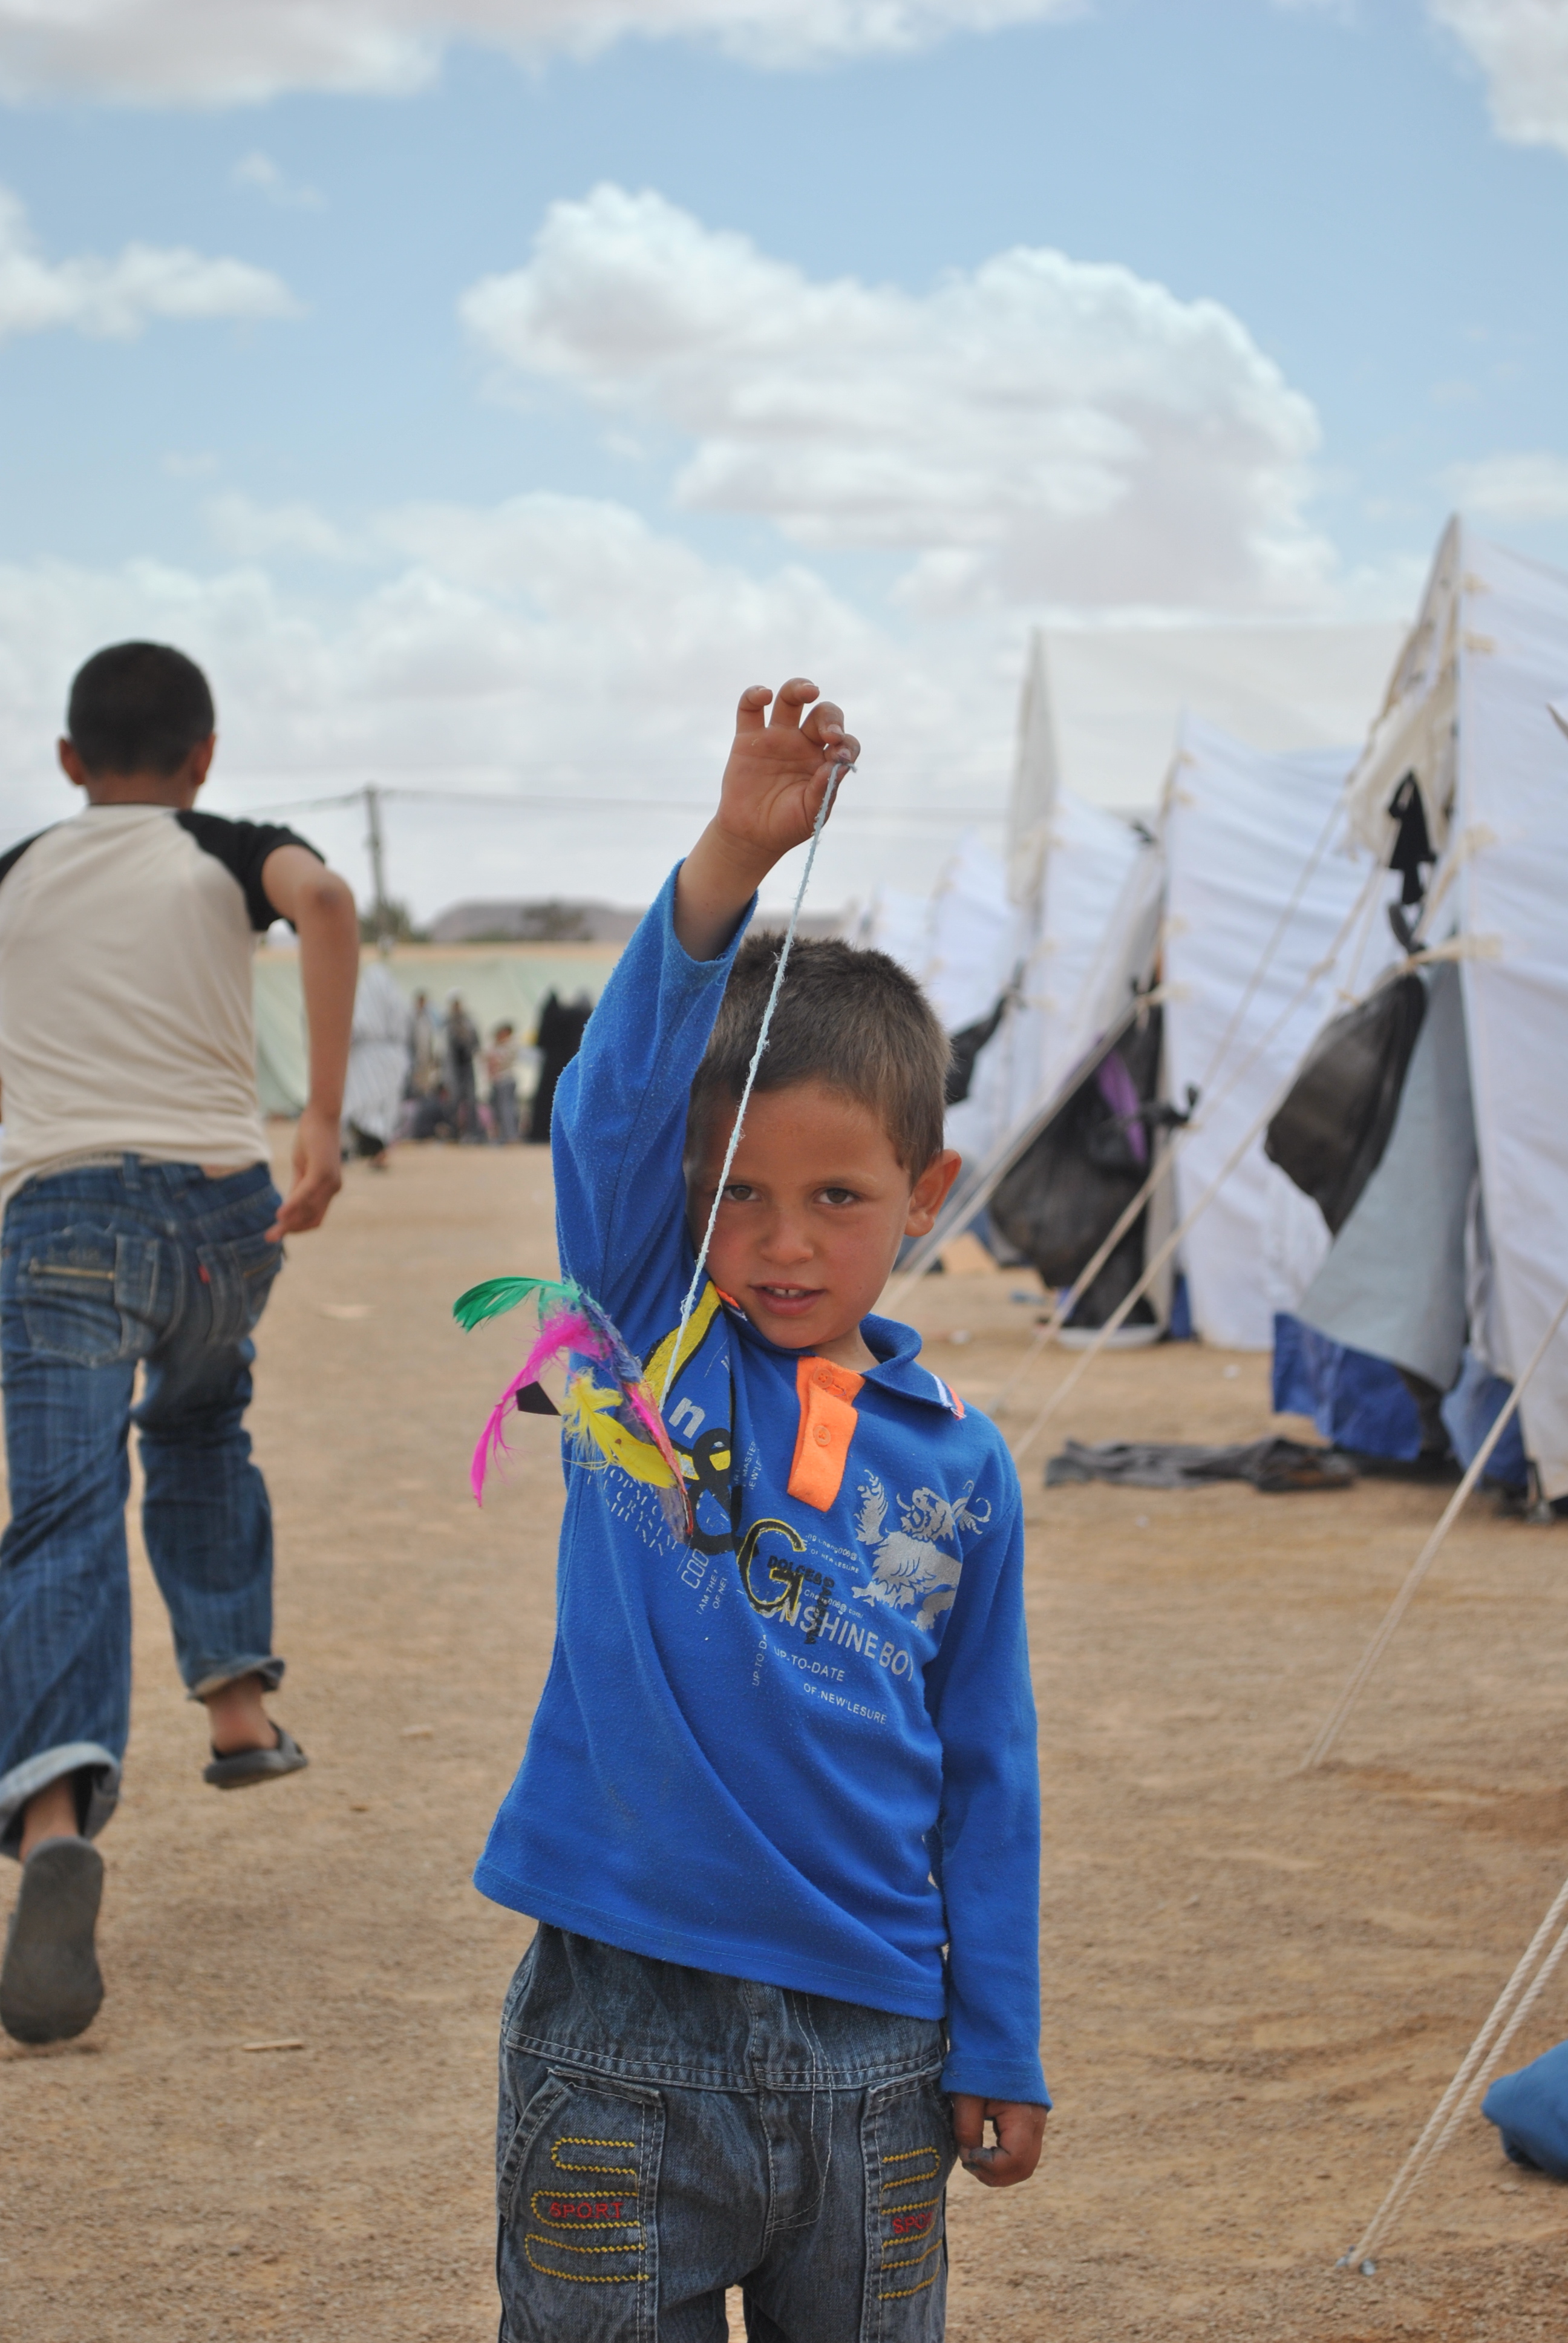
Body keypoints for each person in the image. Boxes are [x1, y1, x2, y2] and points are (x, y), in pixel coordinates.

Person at [480, 680, 1047, 2341]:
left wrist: (1001, 2032)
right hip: (619, 2036)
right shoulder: (651, 1342)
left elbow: (989, 1764)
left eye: (837, 1197)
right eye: (736, 1195)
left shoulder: (964, 1468)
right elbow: (610, 1105)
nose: (784, 1243)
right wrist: (737, 853)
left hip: (881, 2058)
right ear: (678, 1197)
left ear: (926, 1197)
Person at [0, 641, 359, 2047]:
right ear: (202, 757)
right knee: (204, 1423)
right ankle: (237, 1707)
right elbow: (324, 900)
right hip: (221, 1209)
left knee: (64, 1509)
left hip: (60, 1212)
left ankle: (51, 1822)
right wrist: (318, 1116)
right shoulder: (225, 845)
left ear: (68, 761)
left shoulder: (20, 870)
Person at [342, 954, 413, 1169]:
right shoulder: (398, 1002)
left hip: (368, 1059)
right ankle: (376, 1152)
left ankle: (368, 1151)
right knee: (384, 1110)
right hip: (394, 1058)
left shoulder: (366, 1002)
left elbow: (358, 1028)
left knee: (362, 1107)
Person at [525, 986, 591, 1143]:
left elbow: (542, 1040)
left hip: (551, 1066)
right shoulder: (579, 1017)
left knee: (547, 1099)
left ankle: (541, 1133)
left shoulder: (555, 1018)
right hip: (571, 1064)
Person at [444, 991, 480, 1142]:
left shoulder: (469, 1022)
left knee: (471, 1100)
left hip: (467, 1066)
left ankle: (472, 1133)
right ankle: (454, 1133)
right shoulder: (447, 1024)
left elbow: (476, 1043)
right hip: (453, 1068)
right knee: (453, 1102)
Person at [485, 1020, 521, 1144]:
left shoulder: (511, 1044)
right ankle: (502, 1136)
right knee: (498, 1110)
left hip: (506, 1079)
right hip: (498, 1080)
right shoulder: (498, 1045)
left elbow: (498, 1061)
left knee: (507, 1110)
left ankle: (511, 1136)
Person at [410, 988, 443, 1098]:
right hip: (416, 1056)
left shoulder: (431, 1017)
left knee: (429, 1082)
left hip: (428, 1056)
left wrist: (435, 1056)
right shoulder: (412, 1017)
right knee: (417, 1082)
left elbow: (437, 1036)